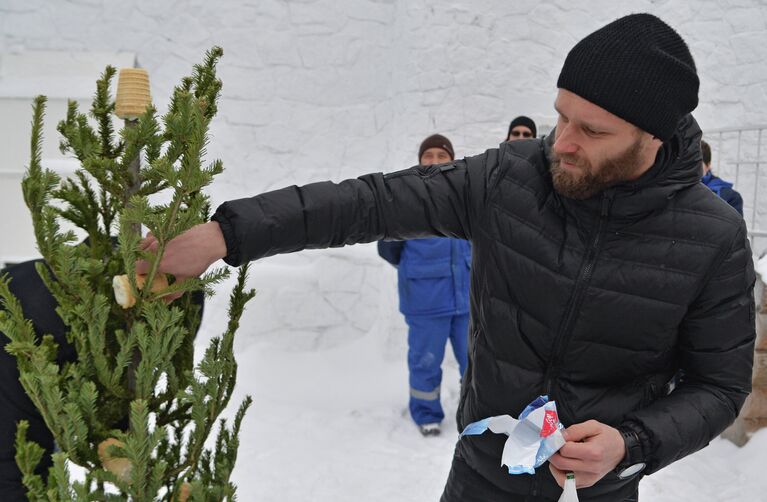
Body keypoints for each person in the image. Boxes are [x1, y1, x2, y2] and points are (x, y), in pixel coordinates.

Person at [137, 13, 755, 502]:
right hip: (483, 477)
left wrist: (633, 441)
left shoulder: (713, 237)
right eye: (560, 115)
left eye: (592, 132)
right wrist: (227, 235)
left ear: (652, 137)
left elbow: (720, 386)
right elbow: (369, 202)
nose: (561, 143)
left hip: (598, 490)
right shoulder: (510, 180)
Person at [0, 252, 204, 499]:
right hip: (18, 343)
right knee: (24, 470)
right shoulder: (29, 331)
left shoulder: (157, 287)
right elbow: (15, 468)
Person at [377, 134, 471, 437]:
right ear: (420, 161)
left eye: (441, 156)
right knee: (425, 361)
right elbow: (389, 247)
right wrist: (419, 271)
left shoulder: (466, 198)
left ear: (451, 160)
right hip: (425, 301)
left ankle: (474, 412)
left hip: (468, 299)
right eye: (428, 155)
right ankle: (427, 414)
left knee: (476, 362)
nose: (434, 161)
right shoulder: (406, 200)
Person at [700, 139, 743, 215]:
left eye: (697, 165)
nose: (691, 170)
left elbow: (736, 226)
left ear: (708, 165)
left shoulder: (730, 198)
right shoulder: (675, 189)